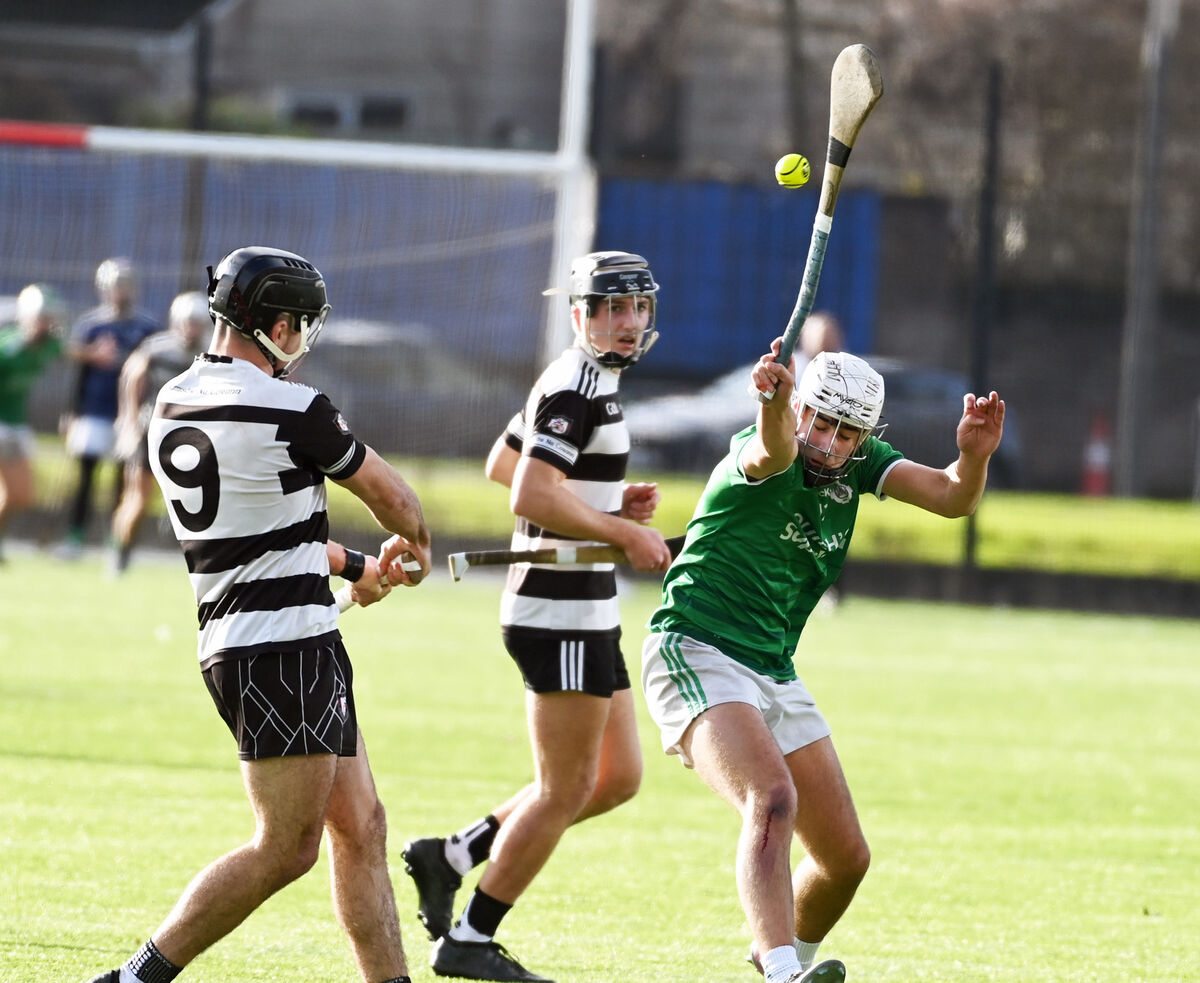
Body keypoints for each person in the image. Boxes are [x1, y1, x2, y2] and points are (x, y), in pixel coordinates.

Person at [85, 245, 433, 983]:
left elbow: (266, 531)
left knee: (361, 825)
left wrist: (362, 567)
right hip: (283, 650)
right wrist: (416, 542)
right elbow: (396, 501)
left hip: (259, 640)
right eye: (299, 323)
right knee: (287, 847)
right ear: (273, 323)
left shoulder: (171, 401)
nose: (302, 339)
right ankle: (134, 977)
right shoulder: (293, 408)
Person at [640, 341, 1006, 983]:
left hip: (773, 669)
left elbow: (952, 498)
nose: (830, 442)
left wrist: (972, 458)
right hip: (696, 647)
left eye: (848, 431)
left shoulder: (859, 465)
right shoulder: (765, 451)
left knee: (844, 860)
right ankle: (782, 973)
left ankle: (788, 963)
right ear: (801, 407)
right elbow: (774, 445)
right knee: (771, 796)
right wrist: (773, 405)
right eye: (821, 420)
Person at [402, 251, 673, 983]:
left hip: (583, 603)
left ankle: (452, 855)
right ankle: (470, 937)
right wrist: (623, 532)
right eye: (612, 309)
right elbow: (527, 491)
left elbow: (502, 461)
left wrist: (606, 504)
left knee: (616, 778)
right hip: (559, 608)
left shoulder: (588, 381)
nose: (628, 323)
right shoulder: (577, 385)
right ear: (581, 314)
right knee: (565, 788)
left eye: (637, 308)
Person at [60, 257, 160, 557]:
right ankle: (75, 539)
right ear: (104, 289)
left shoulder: (146, 327)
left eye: (126, 285)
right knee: (86, 477)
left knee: (123, 478)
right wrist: (73, 412)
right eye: (117, 286)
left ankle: (115, 543)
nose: (122, 292)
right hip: (94, 410)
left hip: (129, 415)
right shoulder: (91, 325)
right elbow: (80, 372)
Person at [107, 290, 209, 574]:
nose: (192, 328)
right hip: (152, 431)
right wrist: (128, 420)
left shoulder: (211, 353)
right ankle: (119, 553)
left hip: (191, 436)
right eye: (189, 321)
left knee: (198, 502)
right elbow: (132, 378)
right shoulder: (157, 348)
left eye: (198, 322)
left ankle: (202, 563)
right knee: (138, 499)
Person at [0, 284, 67, 559]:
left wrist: (97, 355)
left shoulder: (48, 345)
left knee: (23, 496)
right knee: (12, 492)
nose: (47, 323)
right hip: (2, 425)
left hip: (17, 424)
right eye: (43, 317)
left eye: (50, 318)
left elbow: (70, 351)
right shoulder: (8, 347)